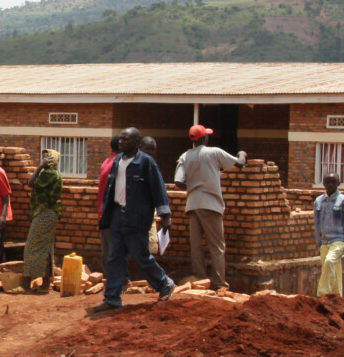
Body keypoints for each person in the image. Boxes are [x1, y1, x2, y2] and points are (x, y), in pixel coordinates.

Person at [96, 127, 174, 310]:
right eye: (121, 139)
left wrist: (165, 215)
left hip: (137, 217)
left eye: (125, 139)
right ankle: (112, 298)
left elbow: (158, 188)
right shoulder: (117, 161)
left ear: (137, 143)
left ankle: (164, 284)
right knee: (114, 257)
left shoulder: (146, 162)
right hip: (117, 215)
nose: (121, 142)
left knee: (140, 255)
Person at [174, 124, 246, 289]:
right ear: (204, 138)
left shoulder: (185, 156)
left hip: (193, 203)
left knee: (196, 245)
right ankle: (219, 283)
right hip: (210, 203)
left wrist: (193, 187)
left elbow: (178, 181)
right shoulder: (213, 152)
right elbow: (239, 164)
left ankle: (200, 279)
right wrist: (243, 153)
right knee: (217, 246)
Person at [23, 149, 64, 291]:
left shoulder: (49, 174)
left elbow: (30, 183)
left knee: (31, 247)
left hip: (45, 213)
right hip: (49, 213)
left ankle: (26, 284)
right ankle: (45, 283)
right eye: (43, 157)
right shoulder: (53, 174)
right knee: (45, 248)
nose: (44, 159)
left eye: (47, 157)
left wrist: (39, 166)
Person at [314, 173, 344, 296]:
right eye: (328, 182)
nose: (330, 185)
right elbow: (317, 224)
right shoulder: (319, 201)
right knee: (333, 270)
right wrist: (318, 243)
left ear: (338, 184)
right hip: (325, 241)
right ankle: (337, 296)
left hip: (339, 240)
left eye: (333, 182)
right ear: (324, 184)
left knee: (329, 263)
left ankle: (322, 294)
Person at [96, 134, 121, 266]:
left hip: (103, 212)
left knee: (108, 249)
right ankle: (118, 281)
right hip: (113, 214)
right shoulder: (119, 163)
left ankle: (110, 279)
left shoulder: (106, 162)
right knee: (117, 251)